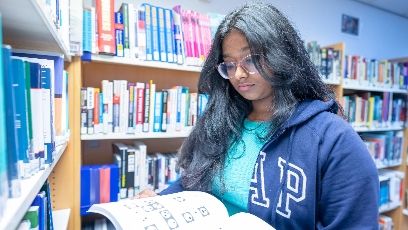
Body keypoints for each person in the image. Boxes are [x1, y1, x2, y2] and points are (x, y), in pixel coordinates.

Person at [138, 2, 379, 229]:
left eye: (251, 60)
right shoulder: (221, 123)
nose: (238, 74)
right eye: (229, 64)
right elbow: (191, 182)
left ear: (283, 56)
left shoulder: (334, 140)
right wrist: (160, 202)